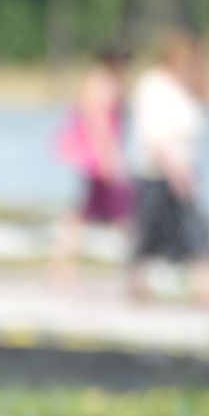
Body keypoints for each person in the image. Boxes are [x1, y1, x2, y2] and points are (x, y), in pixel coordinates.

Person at [128, 32, 209, 306]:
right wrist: (172, 169)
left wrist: (200, 80)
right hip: (155, 170)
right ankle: (139, 283)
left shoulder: (186, 88)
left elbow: (200, 120)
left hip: (186, 169)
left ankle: (206, 286)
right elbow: (152, 133)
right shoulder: (153, 85)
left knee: (194, 230)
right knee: (150, 232)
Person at [50, 46, 132, 290]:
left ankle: (62, 268)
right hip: (97, 158)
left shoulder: (99, 81)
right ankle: (138, 269)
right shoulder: (102, 83)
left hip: (92, 157)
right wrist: (108, 158)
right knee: (120, 214)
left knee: (81, 216)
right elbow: (97, 122)